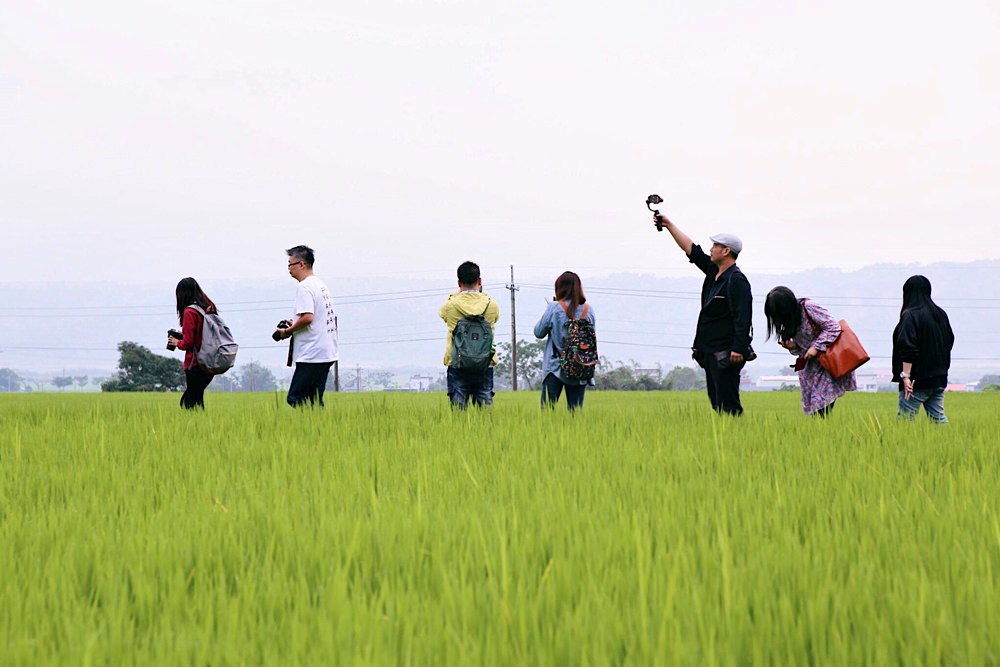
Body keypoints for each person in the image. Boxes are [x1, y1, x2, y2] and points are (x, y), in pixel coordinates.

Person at [652, 210, 754, 415]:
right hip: (708, 350)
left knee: (728, 403)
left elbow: (744, 317)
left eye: (715, 246)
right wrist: (669, 224)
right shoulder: (713, 271)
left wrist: (738, 348)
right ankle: (726, 437)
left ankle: (738, 438)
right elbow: (691, 250)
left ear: (726, 251)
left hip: (726, 353)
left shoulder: (737, 281)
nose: (711, 249)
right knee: (716, 402)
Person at [764, 286, 857, 416]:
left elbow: (833, 327)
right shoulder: (791, 319)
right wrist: (793, 347)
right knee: (814, 412)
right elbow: (803, 348)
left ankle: (824, 434)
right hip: (810, 370)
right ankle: (821, 434)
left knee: (820, 409)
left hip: (827, 364)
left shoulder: (809, 307)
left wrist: (816, 347)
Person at [273, 245, 338, 408]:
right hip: (326, 352)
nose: (288, 268)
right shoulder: (320, 285)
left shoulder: (304, 287)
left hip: (312, 354)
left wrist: (286, 331)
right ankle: (321, 430)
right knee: (315, 400)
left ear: (301, 264)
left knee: (295, 397)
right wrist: (294, 323)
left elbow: (308, 317)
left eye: (290, 264)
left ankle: (311, 429)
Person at [892, 275, 954, 423]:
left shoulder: (910, 315)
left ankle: (902, 446)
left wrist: (905, 376)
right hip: (938, 377)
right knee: (938, 418)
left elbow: (908, 347)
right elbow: (949, 341)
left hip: (916, 380)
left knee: (905, 420)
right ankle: (950, 443)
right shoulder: (940, 314)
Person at [439, 261, 500, 409]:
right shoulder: (491, 305)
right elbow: (496, 318)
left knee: (459, 414)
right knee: (485, 413)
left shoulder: (450, 305)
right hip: (485, 363)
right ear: (479, 281)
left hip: (457, 363)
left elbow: (442, 315)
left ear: (459, 282)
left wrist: (456, 294)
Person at [534, 271, 597, 411]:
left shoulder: (554, 308)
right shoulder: (588, 310)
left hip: (555, 367)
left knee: (547, 413)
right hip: (580, 366)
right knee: (575, 415)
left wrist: (550, 309)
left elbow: (538, 332)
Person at [167, 277, 217, 410]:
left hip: (195, 363)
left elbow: (188, 343)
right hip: (209, 362)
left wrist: (177, 342)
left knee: (189, 403)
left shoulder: (190, 312)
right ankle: (202, 425)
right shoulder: (207, 308)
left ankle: (197, 426)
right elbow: (201, 335)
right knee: (197, 401)